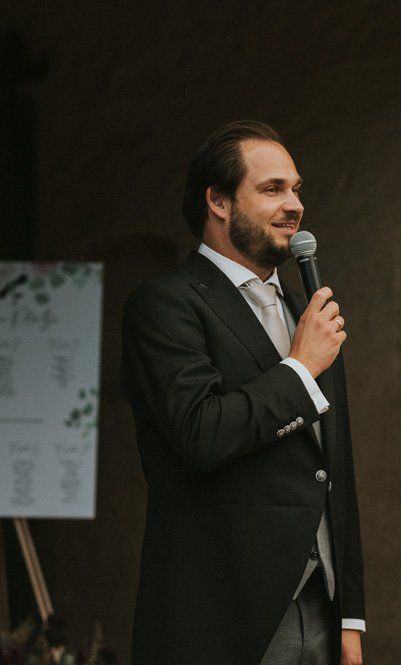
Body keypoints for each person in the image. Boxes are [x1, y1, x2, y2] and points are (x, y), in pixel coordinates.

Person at [121, 120, 365, 665]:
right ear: (218, 201)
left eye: (296, 189)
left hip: (322, 610)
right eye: (273, 189)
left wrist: (351, 616)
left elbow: (336, 466)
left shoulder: (307, 309)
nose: (295, 205)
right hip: (221, 612)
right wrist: (300, 369)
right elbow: (199, 434)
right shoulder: (166, 304)